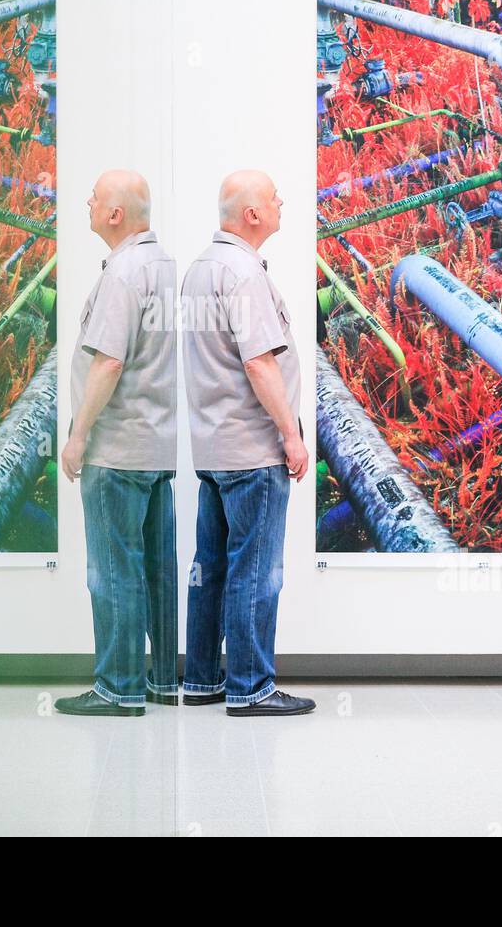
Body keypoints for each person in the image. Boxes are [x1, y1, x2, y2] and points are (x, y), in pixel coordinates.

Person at [179, 170, 314, 717]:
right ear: (251, 215)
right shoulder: (242, 274)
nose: (281, 201)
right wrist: (291, 435)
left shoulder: (200, 271)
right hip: (253, 450)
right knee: (255, 570)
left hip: (212, 447)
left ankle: (204, 679)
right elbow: (259, 363)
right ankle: (251, 685)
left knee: (210, 566)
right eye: (273, 197)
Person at [56, 170, 178, 717]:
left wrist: (78, 436)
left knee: (111, 571)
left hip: (116, 448)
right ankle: (160, 681)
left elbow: (109, 360)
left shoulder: (124, 273)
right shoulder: (160, 266)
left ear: (115, 215)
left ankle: (118, 687)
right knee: (154, 569)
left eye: (96, 196)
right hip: (154, 445)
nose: (87, 200)